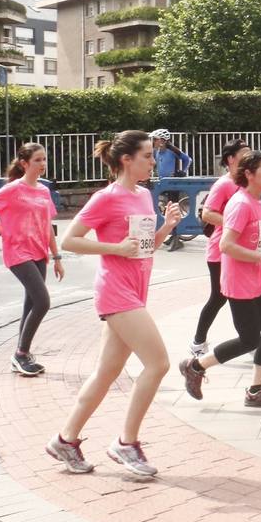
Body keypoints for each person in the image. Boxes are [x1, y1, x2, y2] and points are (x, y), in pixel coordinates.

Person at [46, 130, 182, 477]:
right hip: (116, 291)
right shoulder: (105, 197)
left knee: (106, 372)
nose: (154, 161)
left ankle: (66, 439)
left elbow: (143, 245)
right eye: (148, 155)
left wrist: (166, 227)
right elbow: (70, 240)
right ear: (127, 160)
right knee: (158, 363)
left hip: (136, 289)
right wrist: (115, 248)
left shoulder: (144, 195)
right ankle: (126, 442)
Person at [180, 151, 261, 407]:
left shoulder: (256, 201)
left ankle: (256, 391)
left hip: (256, 279)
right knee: (250, 339)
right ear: (249, 174)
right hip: (239, 283)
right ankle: (195, 366)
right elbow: (226, 245)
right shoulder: (240, 203)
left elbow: (252, 240)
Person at [0, 143, 64, 378]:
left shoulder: (44, 191)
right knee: (43, 301)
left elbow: (47, 226)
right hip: (17, 252)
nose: (43, 164)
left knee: (31, 303)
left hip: (39, 251)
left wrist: (56, 256)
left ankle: (21, 354)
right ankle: (21, 354)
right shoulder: (14, 189)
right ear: (24, 163)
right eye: (37, 160)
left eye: (44, 159)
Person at [188, 138, 251, 358]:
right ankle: (198, 342)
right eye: (244, 153)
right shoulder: (224, 184)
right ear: (231, 159)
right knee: (219, 297)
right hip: (220, 251)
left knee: (243, 293)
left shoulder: (246, 182)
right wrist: (234, 222)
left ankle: (250, 339)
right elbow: (207, 214)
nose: (249, 155)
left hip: (239, 248)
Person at [150, 129, 192, 250]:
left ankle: (176, 237)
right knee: (166, 208)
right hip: (164, 183)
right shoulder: (156, 151)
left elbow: (188, 159)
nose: (154, 142)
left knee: (173, 209)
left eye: (155, 139)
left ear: (162, 140)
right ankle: (172, 235)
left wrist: (181, 172)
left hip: (173, 183)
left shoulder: (172, 149)